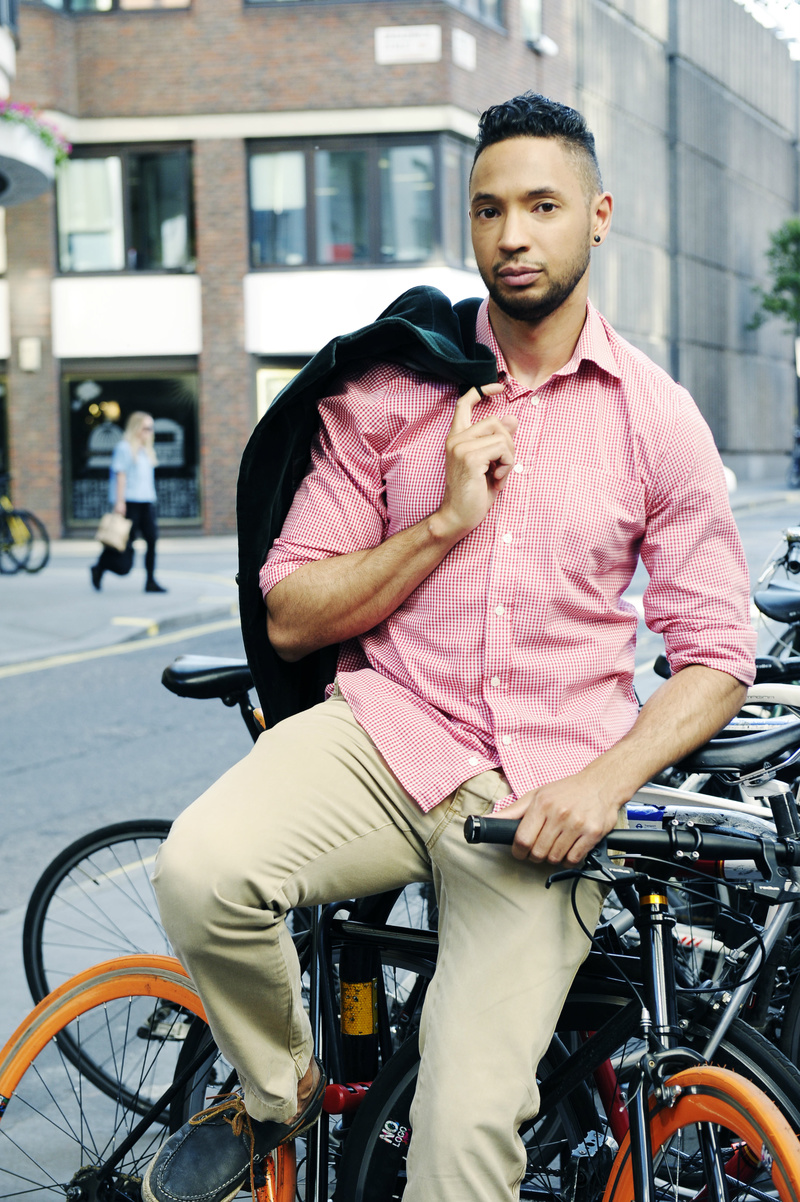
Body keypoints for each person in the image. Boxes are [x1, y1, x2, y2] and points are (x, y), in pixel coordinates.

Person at [143, 92, 756, 1202]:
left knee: (462, 1137)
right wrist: (440, 522)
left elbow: (715, 646)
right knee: (199, 870)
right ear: (467, 226)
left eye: (540, 206)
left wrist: (605, 780)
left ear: (597, 216)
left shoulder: (654, 418)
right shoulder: (393, 388)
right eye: (487, 209)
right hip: (385, 735)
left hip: (540, 794)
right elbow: (290, 610)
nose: (512, 234)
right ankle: (279, 1088)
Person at [90, 410, 167, 593]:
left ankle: (150, 581)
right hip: (129, 502)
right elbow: (120, 476)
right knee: (124, 549)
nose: (150, 432)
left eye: (151, 428)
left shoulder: (147, 450)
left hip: (146, 501)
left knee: (152, 540)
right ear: (136, 428)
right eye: (146, 428)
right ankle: (99, 566)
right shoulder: (124, 448)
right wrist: (119, 502)